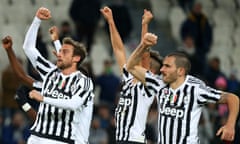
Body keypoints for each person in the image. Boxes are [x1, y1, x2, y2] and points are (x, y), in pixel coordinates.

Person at [126, 37, 239, 143]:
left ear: (180, 71)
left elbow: (233, 98)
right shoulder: (159, 84)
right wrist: (143, 45)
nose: (162, 69)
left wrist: (230, 125)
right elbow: (130, 67)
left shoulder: (195, 88)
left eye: (167, 66)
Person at [23, 7, 94, 144]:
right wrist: (37, 20)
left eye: (64, 52)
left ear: (76, 59)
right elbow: (28, 48)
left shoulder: (83, 82)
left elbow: (73, 104)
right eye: (59, 51)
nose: (59, 54)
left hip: (61, 140)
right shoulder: (50, 72)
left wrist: (43, 98)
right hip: (36, 137)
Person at [101, 6, 162, 143]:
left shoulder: (149, 84)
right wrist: (111, 21)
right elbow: (118, 49)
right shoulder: (129, 77)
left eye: (145, 64)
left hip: (134, 140)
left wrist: (145, 25)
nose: (139, 61)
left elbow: (145, 54)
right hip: (121, 139)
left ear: (152, 71)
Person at [180, 2, 213, 76]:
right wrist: (187, 39)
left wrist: (207, 44)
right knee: (191, 65)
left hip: (202, 47)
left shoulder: (204, 19)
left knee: (201, 67)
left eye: (199, 8)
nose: (198, 9)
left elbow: (209, 33)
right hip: (192, 46)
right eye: (196, 8)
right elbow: (183, 31)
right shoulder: (189, 19)